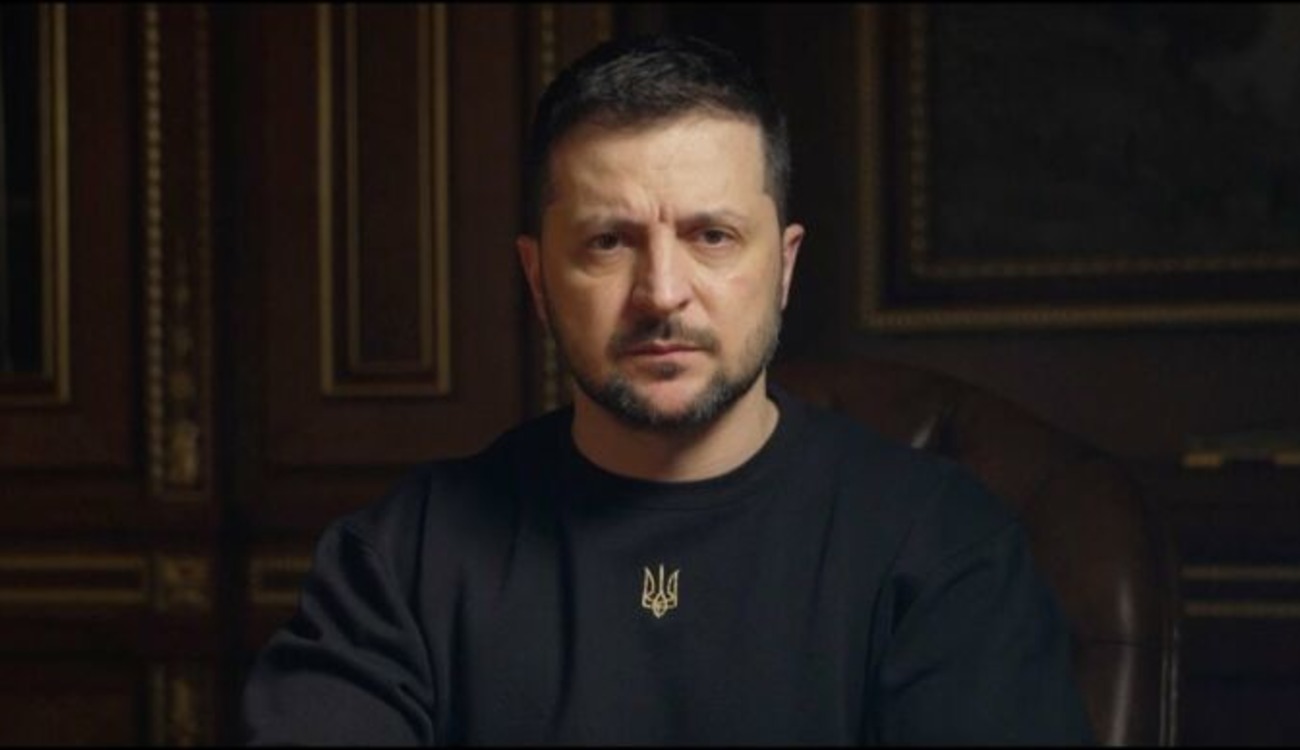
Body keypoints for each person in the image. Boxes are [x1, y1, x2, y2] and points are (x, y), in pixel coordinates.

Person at [241, 33, 1095, 745]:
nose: (661, 293)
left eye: (712, 236)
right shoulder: (404, 559)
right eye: (608, 242)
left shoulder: (941, 545)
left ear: (784, 266)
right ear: (538, 279)